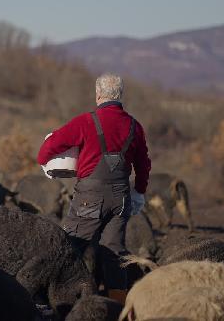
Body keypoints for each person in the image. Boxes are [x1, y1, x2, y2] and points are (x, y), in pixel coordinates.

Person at [36, 73, 151, 303]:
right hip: (121, 199)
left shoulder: (85, 122)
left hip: (90, 197)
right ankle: (118, 306)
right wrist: (139, 192)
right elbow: (143, 164)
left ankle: (61, 303)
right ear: (120, 96)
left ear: (98, 95)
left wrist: (49, 162)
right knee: (114, 252)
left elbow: (44, 152)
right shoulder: (134, 127)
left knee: (72, 247)